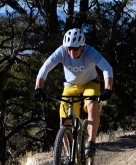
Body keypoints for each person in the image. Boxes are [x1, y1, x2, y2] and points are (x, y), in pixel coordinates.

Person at [34, 28, 113, 157]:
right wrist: (38, 88)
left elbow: (107, 68)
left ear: (82, 46)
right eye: (68, 48)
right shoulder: (62, 51)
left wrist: (108, 89)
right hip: (71, 85)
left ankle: (91, 142)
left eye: (75, 48)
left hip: (90, 82)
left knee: (92, 104)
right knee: (64, 119)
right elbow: (45, 68)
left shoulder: (90, 51)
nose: (71, 52)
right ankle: (68, 155)